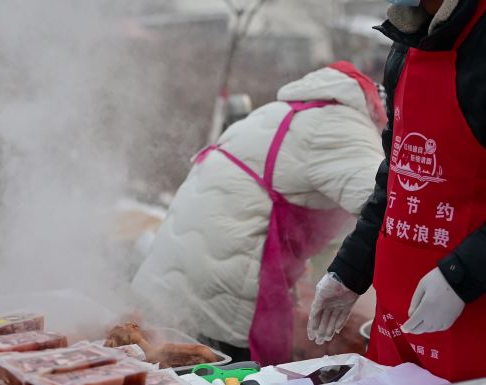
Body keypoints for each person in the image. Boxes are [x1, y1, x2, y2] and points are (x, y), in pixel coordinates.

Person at [132, 62, 386, 365]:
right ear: (377, 112)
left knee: (174, 366)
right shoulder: (340, 125)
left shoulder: (285, 111)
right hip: (224, 284)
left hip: (174, 276)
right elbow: (387, 207)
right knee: (235, 373)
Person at [307, 0, 486, 382]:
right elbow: (396, 171)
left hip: (471, 323)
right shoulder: (406, 39)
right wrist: (350, 270)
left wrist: (462, 275)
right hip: (396, 329)